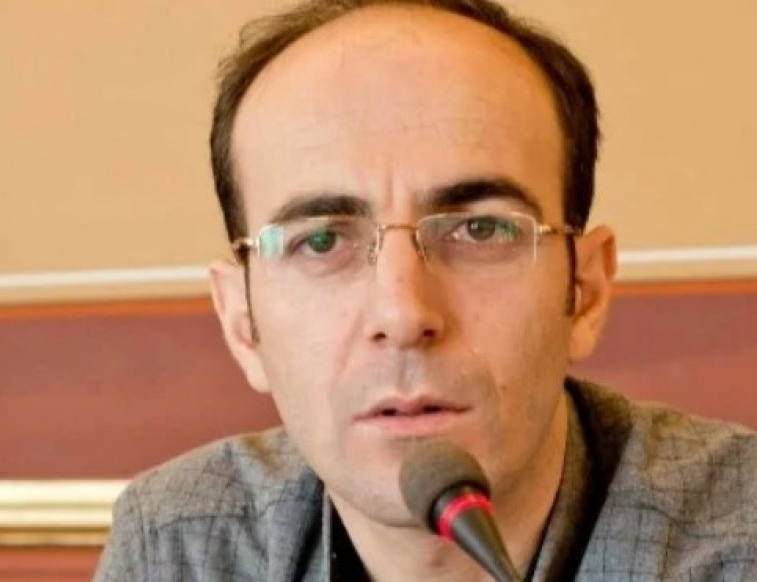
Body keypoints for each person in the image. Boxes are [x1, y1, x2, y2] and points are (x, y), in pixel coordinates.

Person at [94, 1, 757, 580]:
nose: (405, 313)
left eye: (480, 229)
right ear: (243, 323)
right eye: (320, 241)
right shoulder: (178, 547)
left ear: (583, 289)